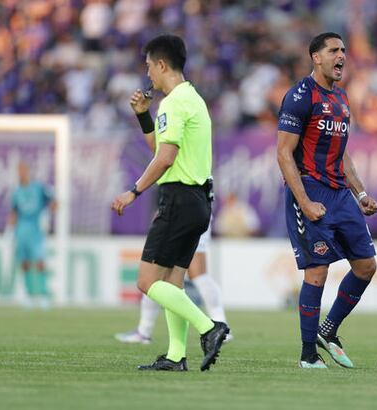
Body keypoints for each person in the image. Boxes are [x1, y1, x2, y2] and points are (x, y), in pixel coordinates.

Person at [111, 33, 229, 372]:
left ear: (162, 65)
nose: (147, 73)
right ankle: (176, 356)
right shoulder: (192, 99)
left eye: (149, 66)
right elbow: (160, 148)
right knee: (173, 283)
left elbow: (164, 159)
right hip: (198, 201)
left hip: (179, 198)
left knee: (147, 282)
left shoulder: (175, 103)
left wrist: (133, 192)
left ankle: (210, 327)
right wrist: (143, 116)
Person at [276, 32, 377, 369]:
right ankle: (308, 355)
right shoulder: (300, 96)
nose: (341, 56)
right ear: (316, 57)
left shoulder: (342, 99)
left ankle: (328, 329)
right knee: (317, 272)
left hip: (340, 194)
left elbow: (341, 153)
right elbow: (283, 153)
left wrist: (360, 193)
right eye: (333, 50)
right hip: (310, 189)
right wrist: (305, 202)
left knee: (366, 266)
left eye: (343, 51)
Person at [115, 225, 234, 344]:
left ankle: (212, 327)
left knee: (153, 276)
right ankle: (219, 325)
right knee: (193, 276)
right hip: (197, 217)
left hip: (178, 219)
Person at [6, 161, 56, 309]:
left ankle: (44, 295)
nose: (21, 173)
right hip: (21, 231)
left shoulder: (38, 188)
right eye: (18, 171)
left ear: (28, 171)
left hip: (36, 230)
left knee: (39, 262)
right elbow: (14, 213)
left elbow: (54, 202)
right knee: (24, 263)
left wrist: (48, 215)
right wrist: (9, 231)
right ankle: (29, 295)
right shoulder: (16, 192)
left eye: (23, 170)